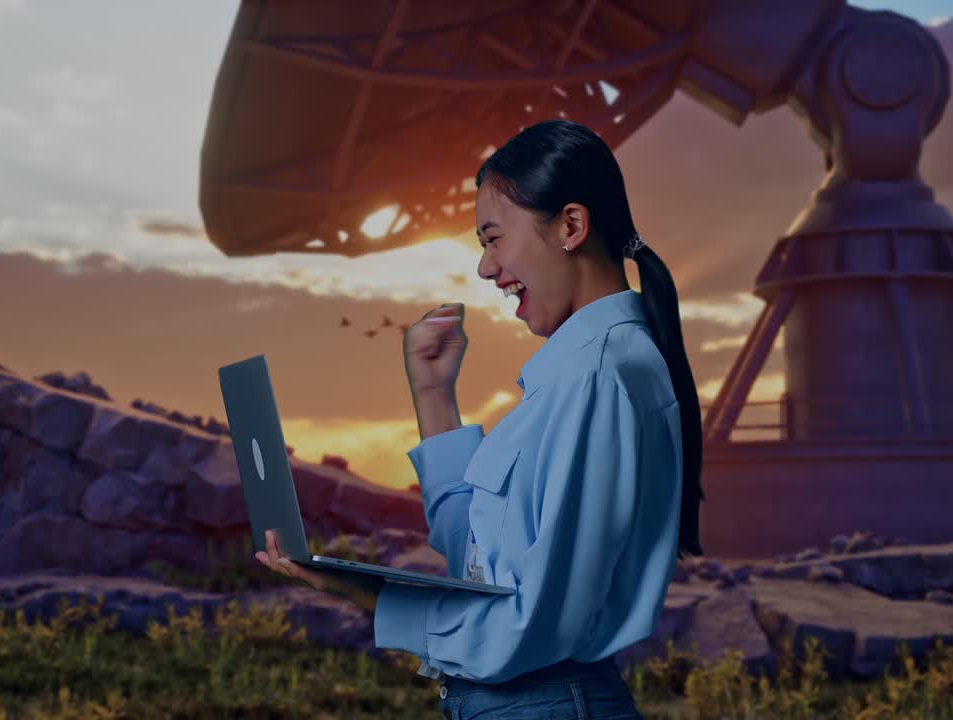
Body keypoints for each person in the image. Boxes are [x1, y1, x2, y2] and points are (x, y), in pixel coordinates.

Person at [256, 119, 705, 719]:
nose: (484, 269)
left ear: (571, 225)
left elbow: (536, 623)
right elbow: (475, 553)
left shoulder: (598, 376)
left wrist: (371, 596)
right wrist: (434, 394)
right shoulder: (579, 375)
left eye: (493, 238)